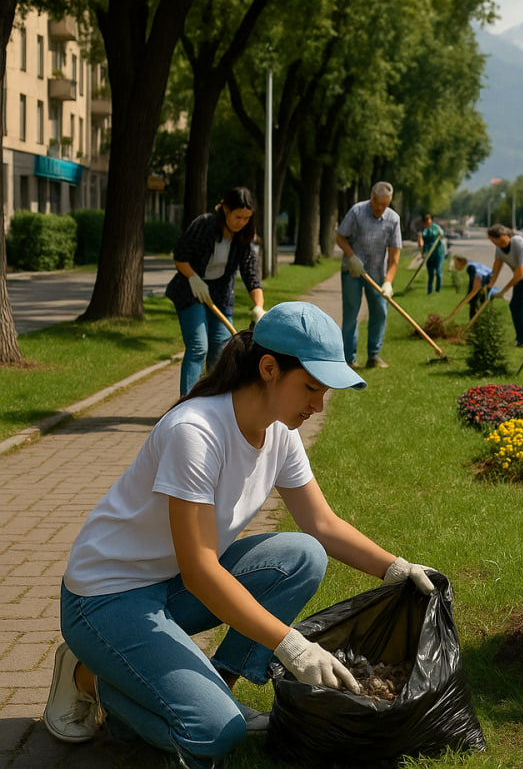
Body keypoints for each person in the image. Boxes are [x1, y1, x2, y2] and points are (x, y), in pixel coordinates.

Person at [43, 301, 438, 769]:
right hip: (106, 598)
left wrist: (398, 569)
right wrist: (290, 643)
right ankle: (93, 677)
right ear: (268, 368)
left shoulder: (280, 433)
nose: (318, 405)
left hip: (167, 585)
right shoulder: (196, 433)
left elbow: (323, 525)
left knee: (303, 554)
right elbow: (201, 572)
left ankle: (209, 685)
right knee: (213, 732)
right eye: (311, 388)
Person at [165, 187, 267, 396]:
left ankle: (211, 401)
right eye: (238, 216)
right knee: (198, 346)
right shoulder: (204, 225)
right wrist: (193, 278)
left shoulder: (243, 237)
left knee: (220, 353)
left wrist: (258, 306)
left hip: (220, 296)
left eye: (247, 218)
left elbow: (251, 275)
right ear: (225, 210)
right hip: (190, 290)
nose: (242, 222)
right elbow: (180, 255)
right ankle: (186, 403)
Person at [335, 181, 401, 369]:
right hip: (353, 271)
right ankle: (348, 358)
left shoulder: (393, 219)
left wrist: (388, 282)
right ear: (371, 198)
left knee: (380, 312)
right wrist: (352, 257)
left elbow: (395, 256)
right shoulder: (357, 212)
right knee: (350, 315)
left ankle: (374, 355)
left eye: (385, 205)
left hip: (377, 275)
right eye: (377, 203)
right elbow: (340, 237)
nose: (380, 208)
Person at [451, 255, 492, 319]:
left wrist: (461, 304)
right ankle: (478, 321)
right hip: (487, 279)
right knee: (478, 302)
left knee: (475, 303)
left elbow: (474, 287)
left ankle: (476, 323)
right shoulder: (471, 264)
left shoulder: (471, 268)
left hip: (487, 280)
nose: (455, 266)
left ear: (461, 262)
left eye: (456, 263)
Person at [417, 213, 447, 294]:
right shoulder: (423, 231)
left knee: (438, 271)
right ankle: (429, 291)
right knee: (430, 273)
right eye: (427, 222)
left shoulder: (436, 228)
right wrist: (420, 241)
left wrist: (441, 235)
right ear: (424, 223)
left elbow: (442, 234)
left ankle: (437, 290)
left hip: (438, 252)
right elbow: (421, 243)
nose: (429, 224)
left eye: (430, 222)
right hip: (429, 254)